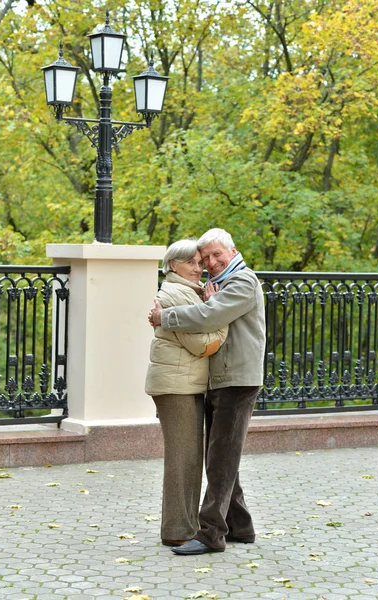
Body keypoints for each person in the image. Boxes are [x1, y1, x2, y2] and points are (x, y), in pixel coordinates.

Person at [148, 228, 266, 555]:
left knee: (219, 461)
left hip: (236, 382)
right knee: (224, 458)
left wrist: (164, 317)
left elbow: (210, 316)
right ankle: (240, 526)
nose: (210, 263)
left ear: (233, 251)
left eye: (216, 255)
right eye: (205, 258)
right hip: (222, 380)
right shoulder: (221, 283)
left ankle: (212, 533)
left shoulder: (242, 281)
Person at [145, 239, 228, 547]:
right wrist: (222, 320)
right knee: (183, 460)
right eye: (191, 263)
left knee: (189, 459)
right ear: (173, 266)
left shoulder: (189, 293)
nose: (199, 268)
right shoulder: (177, 294)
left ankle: (183, 528)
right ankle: (178, 532)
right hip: (175, 386)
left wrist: (208, 309)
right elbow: (202, 344)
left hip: (184, 384)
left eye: (199, 262)